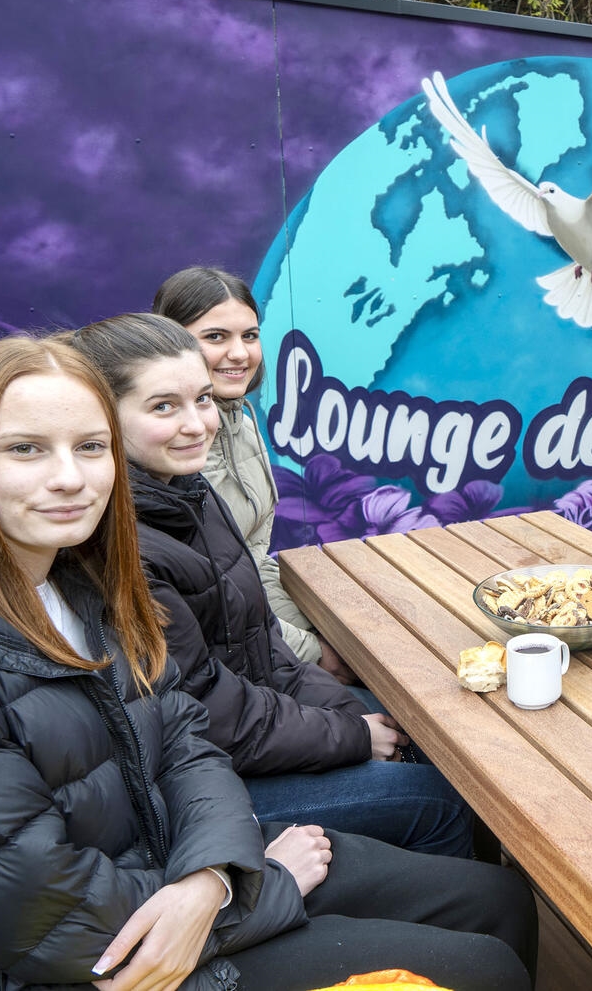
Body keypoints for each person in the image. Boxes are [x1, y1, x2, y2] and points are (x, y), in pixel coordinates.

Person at [0, 336, 535, 991]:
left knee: (500, 899)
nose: (69, 475)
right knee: (483, 966)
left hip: (201, 859)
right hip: (104, 959)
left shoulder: (88, 582)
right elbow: (50, 916)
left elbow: (186, 740)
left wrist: (216, 873)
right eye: (26, 448)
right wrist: (254, 886)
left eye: (89, 446)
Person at [66, 313, 474, 859]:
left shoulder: (189, 490)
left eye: (203, 400)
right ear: (101, 420)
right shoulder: (119, 544)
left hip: (248, 733)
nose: (197, 425)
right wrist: (352, 737)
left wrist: (349, 717)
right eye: (164, 406)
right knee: (443, 798)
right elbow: (204, 710)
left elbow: (262, 649)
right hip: (196, 789)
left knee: (426, 737)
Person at [153, 266, 353, 682]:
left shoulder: (241, 420)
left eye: (249, 335)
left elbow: (254, 559)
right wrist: (312, 652)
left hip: (257, 628)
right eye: (215, 337)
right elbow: (212, 601)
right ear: (169, 342)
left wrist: (326, 637)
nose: (241, 353)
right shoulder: (165, 451)